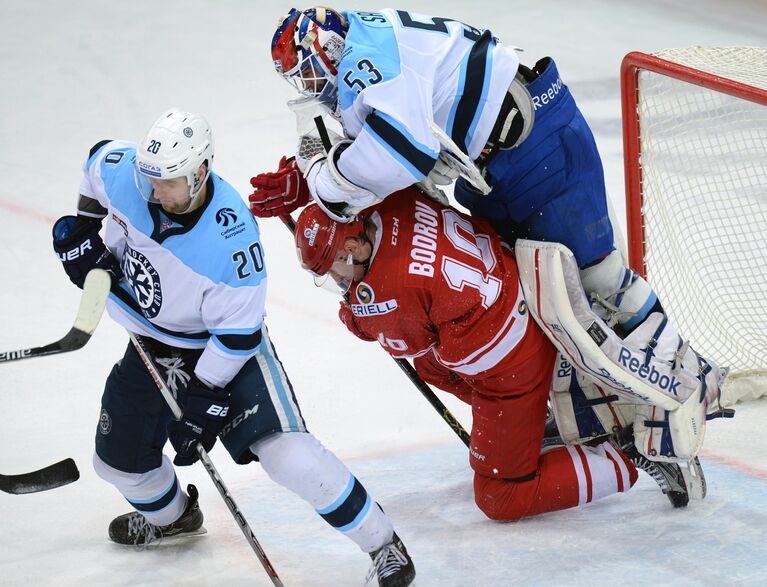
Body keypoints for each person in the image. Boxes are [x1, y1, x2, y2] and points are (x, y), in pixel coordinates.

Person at [249, 6, 727, 408]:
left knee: (600, 277)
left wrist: (324, 184)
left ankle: (693, 380)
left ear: (329, 47)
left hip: (536, 146)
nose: (311, 85)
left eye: (309, 70)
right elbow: (379, 140)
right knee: (538, 296)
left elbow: (401, 151)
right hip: (497, 166)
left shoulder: (361, 57)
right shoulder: (365, 39)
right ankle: (608, 401)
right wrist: (304, 173)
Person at [51, 108, 415, 587]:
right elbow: (95, 160)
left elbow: (238, 334)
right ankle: (174, 518)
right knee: (117, 463)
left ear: (201, 172)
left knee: (285, 455)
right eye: (152, 178)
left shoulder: (231, 238)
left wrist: (203, 397)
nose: (156, 192)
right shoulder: (129, 175)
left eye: (171, 182)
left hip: (224, 350)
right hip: (153, 343)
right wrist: (83, 230)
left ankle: (383, 544)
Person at [292, 186, 704, 521]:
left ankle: (626, 456)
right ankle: (536, 421)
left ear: (352, 247)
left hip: (511, 370)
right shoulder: (389, 201)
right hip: (522, 288)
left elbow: (380, 331)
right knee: (432, 366)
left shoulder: (387, 293)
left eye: (334, 269)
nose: (336, 279)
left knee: (500, 497)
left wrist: (353, 313)